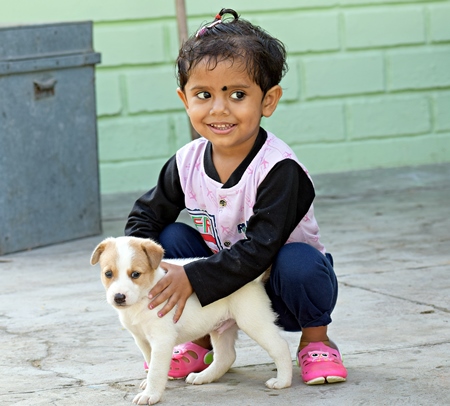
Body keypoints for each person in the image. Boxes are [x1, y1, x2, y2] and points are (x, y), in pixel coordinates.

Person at [125, 8, 347, 385]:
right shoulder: (187, 162)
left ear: (269, 100)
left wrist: (192, 275)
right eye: (204, 94)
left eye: (238, 94)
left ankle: (316, 341)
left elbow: (261, 247)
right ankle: (197, 339)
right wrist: (137, 263)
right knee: (167, 240)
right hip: (220, 294)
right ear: (185, 100)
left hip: (279, 288)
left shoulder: (279, 169)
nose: (219, 108)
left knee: (300, 261)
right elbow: (144, 218)